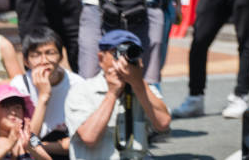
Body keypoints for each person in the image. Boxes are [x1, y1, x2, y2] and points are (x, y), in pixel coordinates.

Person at [64, 30, 171, 159]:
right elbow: (89, 137)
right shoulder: (81, 90)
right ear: (101, 58)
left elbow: (163, 123)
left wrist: (138, 85)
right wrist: (112, 93)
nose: (123, 60)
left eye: (129, 53)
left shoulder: (144, 89)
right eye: (117, 53)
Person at [10, 27, 83, 159]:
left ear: (61, 56)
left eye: (50, 53)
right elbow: (26, 139)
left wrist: (40, 146)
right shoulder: (19, 86)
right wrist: (44, 97)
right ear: (26, 61)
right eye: (36, 55)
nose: (44, 60)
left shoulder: (77, 84)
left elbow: (78, 142)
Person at [0, 84, 51, 160]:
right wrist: (8, 145)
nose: (13, 112)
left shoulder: (29, 137)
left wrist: (31, 148)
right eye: (6, 107)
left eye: (17, 107)